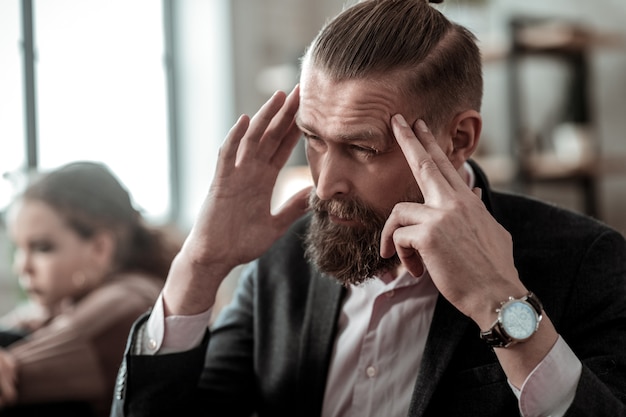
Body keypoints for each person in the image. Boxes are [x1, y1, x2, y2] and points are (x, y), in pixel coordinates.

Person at [111, 1, 626, 416]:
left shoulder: (587, 261)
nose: (326, 183)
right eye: (313, 139)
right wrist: (198, 267)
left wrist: (500, 303)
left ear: (459, 138)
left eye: (362, 148)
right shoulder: (284, 259)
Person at [0, 161, 181, 417]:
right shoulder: (74, 302)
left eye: (42, 248)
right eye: (18, 248)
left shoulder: (128, 302)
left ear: (99, 249)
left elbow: (11, 377)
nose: (22, 267)